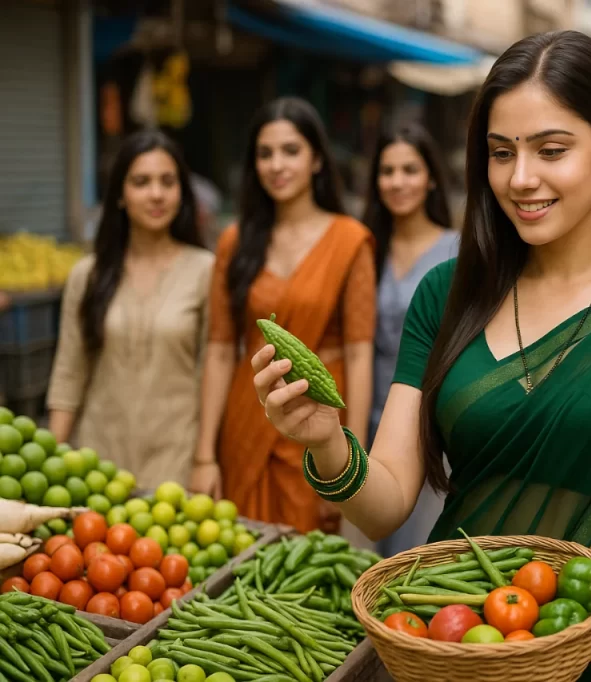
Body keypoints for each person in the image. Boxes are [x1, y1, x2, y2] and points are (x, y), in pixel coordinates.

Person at [253, 31, 591, 681]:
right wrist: (327, 443)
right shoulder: (446, 297)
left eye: (551, 150)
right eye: (501, 153)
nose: (521, 178)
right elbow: (386, 502)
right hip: (464, 638)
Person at [191, 97, 376, 533]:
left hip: (317, 419)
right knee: (238, 556)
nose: (277, 164)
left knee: (306, 568)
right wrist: (204, 455)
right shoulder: (235, 242)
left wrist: (353, 463)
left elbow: (360, 354)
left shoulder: (350, 240)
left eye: (290, 151)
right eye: (265, 153)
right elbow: (219, 351)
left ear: (315, 159)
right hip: (248, 416)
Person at [47, 130, 212, 489]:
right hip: (95, 465)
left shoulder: (206, 271)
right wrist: (50, 465)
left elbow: (210, 374)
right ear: (120, 195)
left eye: (168, 182)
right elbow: (68, 373)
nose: (156, 194)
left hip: (175, 464)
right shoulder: (87, 275)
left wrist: (205, 459)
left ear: (182, 192)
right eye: (141, 182)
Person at [361, 122, 459, 557]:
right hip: (371, 414)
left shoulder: (458, 249)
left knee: (421, 549)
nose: (398, 182)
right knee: (380, 535)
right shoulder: (365, 248)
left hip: (431, 420)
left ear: (432, 176)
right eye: (387, 171)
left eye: (410, 169)